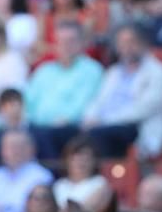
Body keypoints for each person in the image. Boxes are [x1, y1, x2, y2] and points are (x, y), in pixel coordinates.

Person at [81, 22, 162, 159]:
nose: (127, 48)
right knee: (76, 133)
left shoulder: (157, 71)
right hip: (106, 124)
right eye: (122, 43)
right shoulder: (113, 72)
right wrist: (90, 117)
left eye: (131, 42)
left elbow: (145, 108)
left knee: (100, 134)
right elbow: (98, 100)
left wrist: (107, 120)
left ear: (143, 44)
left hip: (135, 126)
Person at [24, 19, 103, 160]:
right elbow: (28, 101)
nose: (66, 46)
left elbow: (84, 103)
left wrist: (63, 120)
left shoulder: (91, 70)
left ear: (81, 43)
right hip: (37, 127)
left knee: (48, 135)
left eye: (71, 41)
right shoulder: (43, 70)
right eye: (61, 41)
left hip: (71, 127)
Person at [52, 134, 108, 209]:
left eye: (86, 159)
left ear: (94, 161)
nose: (81, 163)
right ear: (67, 160)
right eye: (76, 159)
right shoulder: (59, 185)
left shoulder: (100, 183)